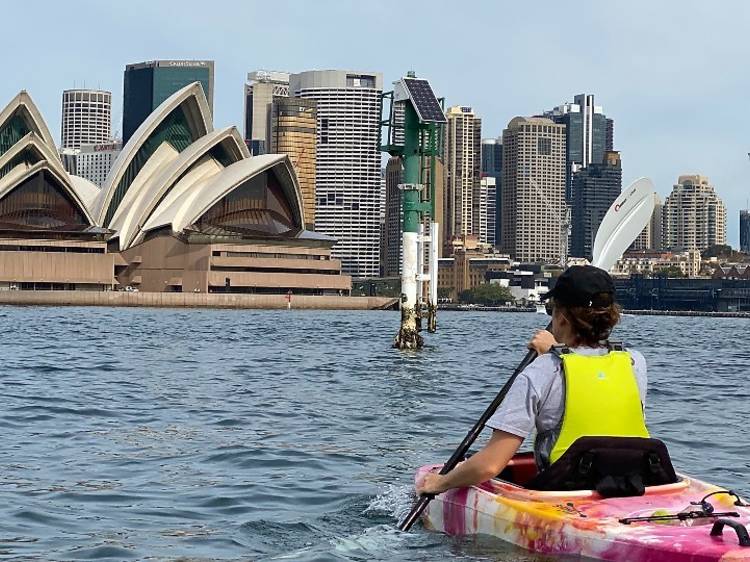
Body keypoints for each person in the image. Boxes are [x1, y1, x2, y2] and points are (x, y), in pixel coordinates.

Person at [416, 265, 649, 497]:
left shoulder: (541, 371)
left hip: (564, 493)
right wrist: (556, 353)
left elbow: (490, 466)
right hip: (630, 485)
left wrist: (440, 483)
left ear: (562, 317)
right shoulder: (634, 362)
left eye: (552, 309)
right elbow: (595, 390)